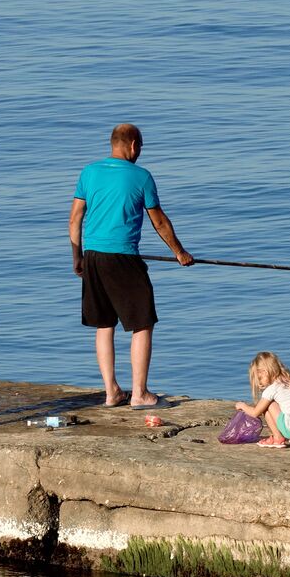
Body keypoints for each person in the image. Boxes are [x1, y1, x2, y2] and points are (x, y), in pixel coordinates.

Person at [69, 123, 195, 409]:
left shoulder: (88, 172)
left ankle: (111, 391)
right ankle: (139, 393)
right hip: (124, 257)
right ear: (134, 145)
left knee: (104, 324)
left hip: (93, 257)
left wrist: (77, 256)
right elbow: (159, 221)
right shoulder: (141, 177)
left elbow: (75, 218)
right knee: (142, 323)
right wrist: (179, 251)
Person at [235, 351, 290, 448]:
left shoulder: (272, 389)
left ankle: (278, 438)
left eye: (260, 378)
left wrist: (242, 405)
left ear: (265, 372)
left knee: (268, 405)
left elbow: (255, 413)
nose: (260, 383)